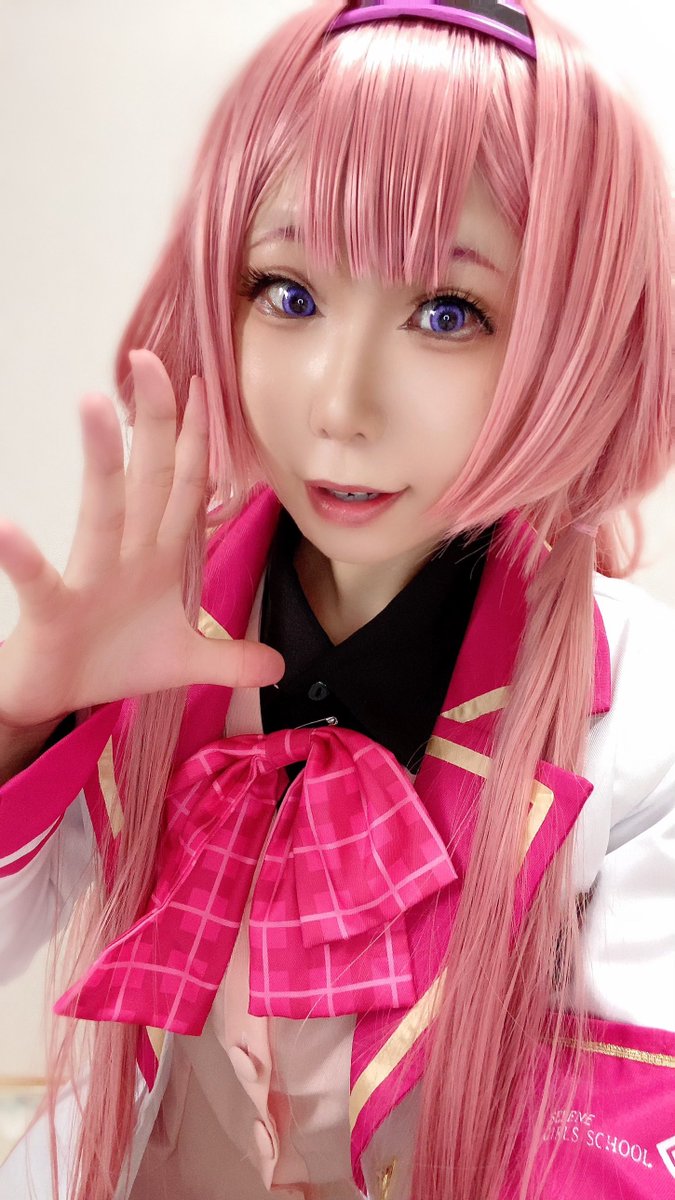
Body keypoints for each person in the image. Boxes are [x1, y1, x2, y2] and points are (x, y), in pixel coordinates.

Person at [0, 0, 672, 1197]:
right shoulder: (151, 637)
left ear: (572, 340)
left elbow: (622, 1144)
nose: (339, 404)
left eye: (448, 313)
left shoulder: (649, 721)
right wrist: (22, 726)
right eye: (287, 292)